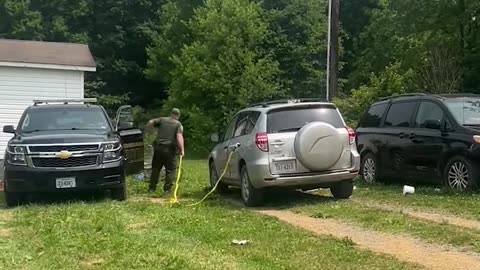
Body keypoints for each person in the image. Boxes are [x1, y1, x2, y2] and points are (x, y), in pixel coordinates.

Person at [146, 108, 185, 193]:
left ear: (171, 113)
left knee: (156, 168)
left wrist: (150, 131)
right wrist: (182, 149)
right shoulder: (178, 124)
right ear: (178, 116)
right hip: (170, 149)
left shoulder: (162, 119)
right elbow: (179, 136)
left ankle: (152, 188)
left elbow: (151, 122)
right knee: (170, 170)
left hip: (158, 148)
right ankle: (167, 190)